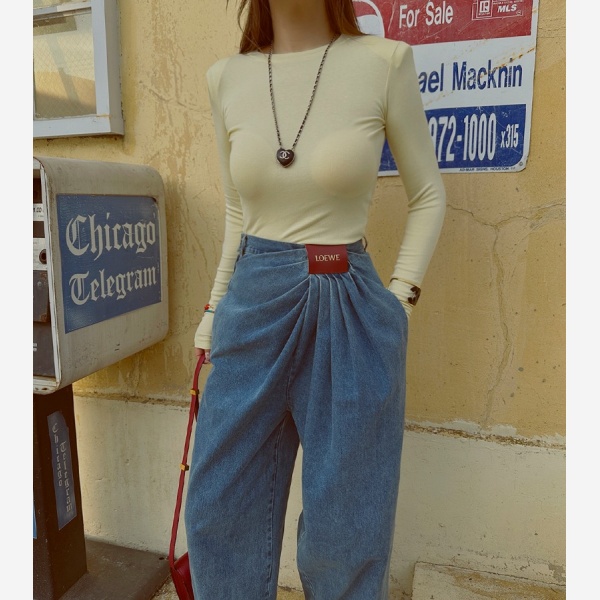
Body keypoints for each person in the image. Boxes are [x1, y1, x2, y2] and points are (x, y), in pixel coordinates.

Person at [184, 0, 446, 598]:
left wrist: (398, 303)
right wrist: (212, 312)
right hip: (251, 301)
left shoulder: (384, 62)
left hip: (348, 303)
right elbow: (236, 213)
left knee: (345, 530)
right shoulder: (226, 78)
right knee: (218, 509)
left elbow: (428, 194)